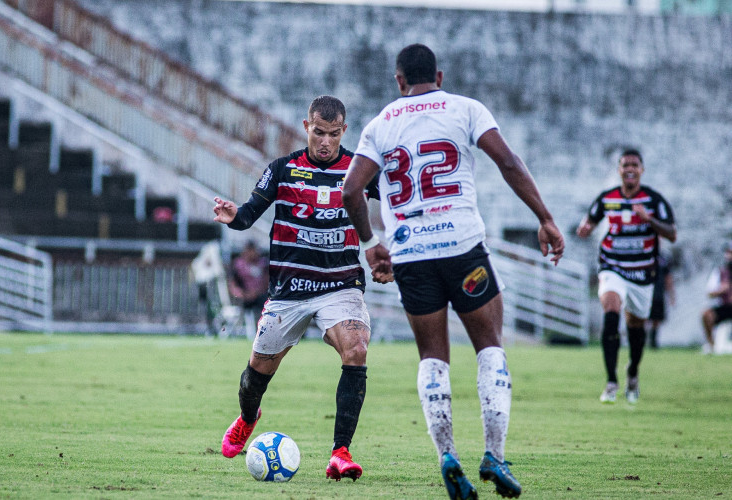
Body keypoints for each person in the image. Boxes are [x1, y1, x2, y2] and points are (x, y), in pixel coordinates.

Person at [342, 44, 564, 500]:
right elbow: (508, 162)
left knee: (432, 358)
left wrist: (372, 246)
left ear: (399, 80)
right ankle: (494, 456)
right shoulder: (465, 109)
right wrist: (545, 217)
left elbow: (351, 191)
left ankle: (447, 456)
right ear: (438, 76)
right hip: (463, 250)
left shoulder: (380, 124)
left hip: (411, 257)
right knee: (489, 348)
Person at [212, 95, 380, 481]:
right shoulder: (283, 169)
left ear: (344, 132)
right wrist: (234, 215)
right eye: (318, 132)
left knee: (356, 348)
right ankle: (247, 418)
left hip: (341, 285)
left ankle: (340, 452)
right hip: (290, 291)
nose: (325, 142)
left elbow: (395, 205)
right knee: (256, 374)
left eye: (333, 134)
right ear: (306, 127)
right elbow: (250, 212)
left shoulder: (359, 172)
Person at [576, 149, 676, 404]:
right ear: (619, 170)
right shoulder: (607, 198)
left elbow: (672, 234)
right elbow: (590, 221)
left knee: (636, 328)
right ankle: (611, 381)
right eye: (625, 165)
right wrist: (585, 228)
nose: (629, 168)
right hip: (613, 267)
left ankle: (632, 371)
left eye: (634, 164)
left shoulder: (654, 201)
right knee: (611, 311)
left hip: (642, 272)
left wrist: (649, 219)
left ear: (642, 169)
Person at [228, 240, 269, 339]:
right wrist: (242, 294)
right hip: (244, 297)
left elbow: (268, 281)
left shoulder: (263, 263)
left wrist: (257, 292)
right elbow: (232, 284)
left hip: (260, 295)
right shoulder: (238, 264)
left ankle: (266, 330)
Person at [701, 242, 732, 351]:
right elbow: (709, 292)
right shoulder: (720, 272)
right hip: (725, 307)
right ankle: (711, 345)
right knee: (706, 315)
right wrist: (721, 290)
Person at [647, 252, 675, 348]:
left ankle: (653, 341)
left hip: (659, 294)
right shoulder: (644, 255)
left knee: (656, 319)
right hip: (645, 292)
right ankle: (640, 340)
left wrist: (671, 295)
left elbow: (668, 277)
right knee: (642, 317)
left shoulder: (663, 258)